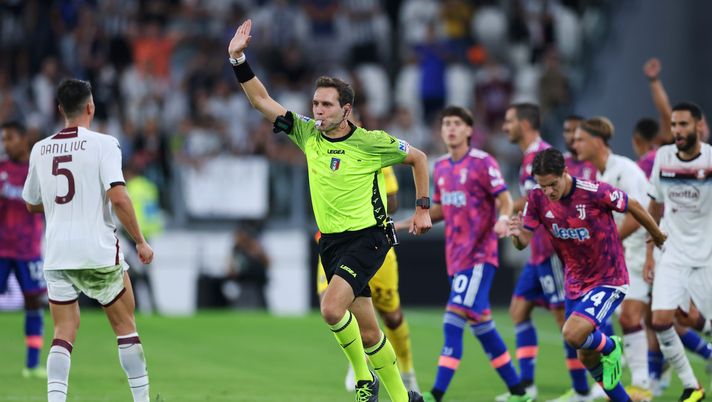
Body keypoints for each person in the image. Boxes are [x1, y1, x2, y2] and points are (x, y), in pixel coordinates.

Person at [228, 20, 430, 402]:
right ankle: (404, 398)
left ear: (346, 109)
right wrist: (238, 58)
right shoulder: (305, 134)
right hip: (332, 242)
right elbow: (260, 101)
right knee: (369, 332)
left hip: (368, 237)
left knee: (330, 308)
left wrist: (422, 208)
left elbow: (419, 158)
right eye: (315, 104)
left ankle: (362, 378)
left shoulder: (372, 142)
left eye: (326, 105)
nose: (317, 111)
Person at [21, 79, 154, 402]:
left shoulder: (40, 149)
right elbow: (119, 197)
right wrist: (140, 240)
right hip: (97, 250)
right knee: (125, 327)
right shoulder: (104, 144)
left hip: (57, 254)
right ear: (91, 107)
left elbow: (31, 202)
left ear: (59, 110)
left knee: (63, 333)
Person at [509, 147, 667, 402]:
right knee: (585, 354)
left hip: (609, 278)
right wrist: (516, 236)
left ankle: (612, 345)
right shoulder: (537, 198)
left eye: (552, 184)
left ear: (564, 172)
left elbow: (634, 205)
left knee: (572, 333)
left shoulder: (594, 191)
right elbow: (523, 240)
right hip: (575, 282)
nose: (548, 191)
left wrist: (657, 235)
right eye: (542, 185)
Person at [412, 106, 530, 402]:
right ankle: (519, 392)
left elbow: (504, 199)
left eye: (456, 123)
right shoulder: (439, 166)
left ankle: (435, 394)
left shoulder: (482, 162)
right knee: (482, 325)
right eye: (446, 124)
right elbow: (439, 209)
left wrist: (504, 218)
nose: (450, 128)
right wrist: (411, 217)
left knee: (453, 318)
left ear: (468, 130)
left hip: (479, 256)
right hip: (456, 258)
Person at [316, 164, 420, 392]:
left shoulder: (372, 149)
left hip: (368, 241)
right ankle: (360, 366)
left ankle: (407, 372)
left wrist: (362, 188)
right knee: (332, 304)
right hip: (333, 242)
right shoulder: (321, 147)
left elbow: (393, 202)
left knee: (391, 317)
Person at [573, 117, 653, 400]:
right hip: (623, 256)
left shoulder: (625, 169)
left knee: (672, 317)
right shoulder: (599, 178)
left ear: (597, 141)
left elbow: (640, 211)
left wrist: (609, 243)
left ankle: (644, 383)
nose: (575, 144)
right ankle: (643, 381)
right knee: (639, 318)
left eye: (580, 139)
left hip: (644, 249)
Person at [501, 103, 573, 401]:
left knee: (564, 320)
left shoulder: (539, 158)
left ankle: (586, 386)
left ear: (525, 123)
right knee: (519, 311)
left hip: (551, 249)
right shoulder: (531, 156)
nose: (505, 127)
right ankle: (527, 385)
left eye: (509, 121)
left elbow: (535, 199)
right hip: (537, 251)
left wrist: (503, 210)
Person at [646, 101, 712, 402]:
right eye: (673, 125)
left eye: (683, 124)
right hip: (671, 254)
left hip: (706, 257)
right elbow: (655, 205)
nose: (677, 131)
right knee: (660, 320)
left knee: (693, 320)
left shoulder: (710, 161)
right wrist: (650, 252)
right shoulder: (663, 157)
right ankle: (692, 386)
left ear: (699, 126)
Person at [0, 121, 46, 378]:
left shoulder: (38, 169)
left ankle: (32, 365)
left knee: (33, 302)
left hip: (29, 248)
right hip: (2, 248)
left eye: (9, 138)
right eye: (3, 139)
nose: (6, 144)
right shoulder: (1, 170)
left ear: (23, 139)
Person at [227, 226, 269, 309]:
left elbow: (267, 262)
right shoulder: (236, 250)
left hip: (257, 285)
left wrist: (257, 252)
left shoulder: (255, 248)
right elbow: (231, 268)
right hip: (243, 285)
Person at [562, 115, 595, 181]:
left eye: (576, 130)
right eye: (567, 131)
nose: (571, 136)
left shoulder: (596, 163)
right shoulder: (560, 163)